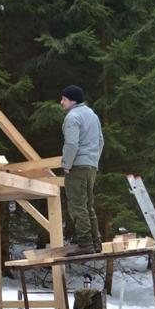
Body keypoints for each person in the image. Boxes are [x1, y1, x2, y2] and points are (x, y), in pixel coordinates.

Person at [60, 85, 104, 256]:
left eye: (64, 99)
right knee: (88, 205)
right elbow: (100, 141)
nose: (61, 102)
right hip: (91, 166)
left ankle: (85, 244)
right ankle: (96, 242)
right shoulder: (92, 115)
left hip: (78, 166)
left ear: (73, 100)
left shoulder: (73, 117)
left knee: (77, 205)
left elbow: (71, 143)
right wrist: (93, 160)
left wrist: (67, 164)